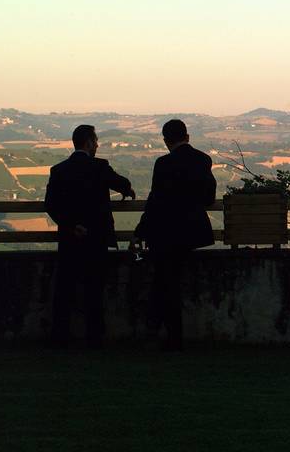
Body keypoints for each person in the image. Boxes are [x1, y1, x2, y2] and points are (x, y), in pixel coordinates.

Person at [45, 124, 135, 348]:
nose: (97, 145)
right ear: (88, 143)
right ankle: (94, 337)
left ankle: (60, 336)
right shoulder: (100, 167)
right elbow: (122, 184)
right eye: (95, 142)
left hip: (69, 238)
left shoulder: (58, 170)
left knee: (64, 289)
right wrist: (128, 190)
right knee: (94, 289)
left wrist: (71, 225)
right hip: (96, 238)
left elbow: (51, 205)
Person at [135, 119, 216, 351]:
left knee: (165, 284)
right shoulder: (202, 160)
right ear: (187, 137)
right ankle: (169, 336)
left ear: (165, 140)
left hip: (165, 233)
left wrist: (140, 231)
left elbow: (155, 201)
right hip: (192, 232)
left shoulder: (163, 164)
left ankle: (166, 334)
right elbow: (209, 197)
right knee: (171, 284)